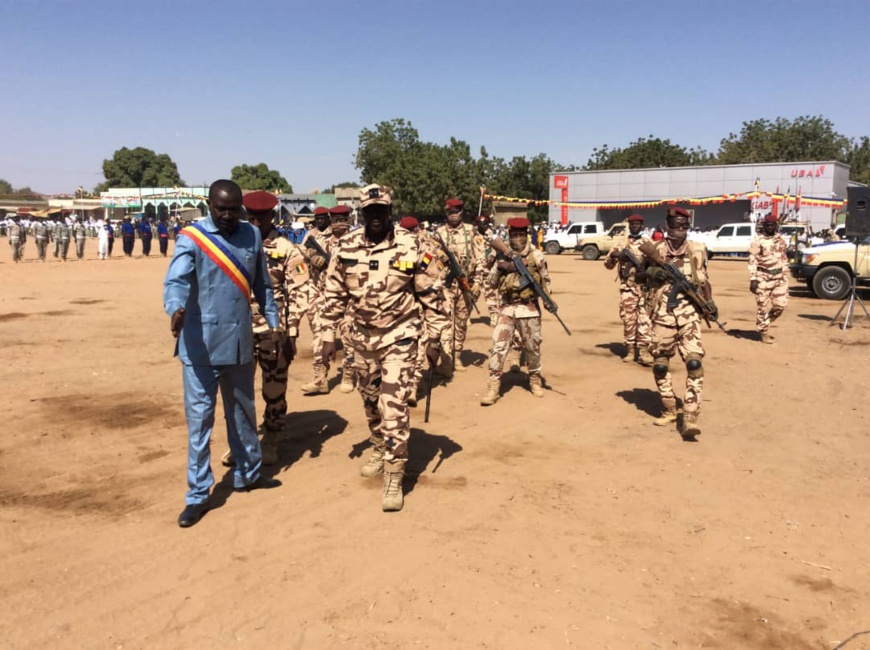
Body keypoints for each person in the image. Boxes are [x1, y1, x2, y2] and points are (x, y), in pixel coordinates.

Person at [320, 184, 448, 512]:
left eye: (382, 211)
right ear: (362, 214)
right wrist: (325, 338)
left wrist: (435, 340)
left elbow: (432, 295)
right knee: (371, 402)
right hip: (360, 339)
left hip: (400, 336)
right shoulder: (346, 246)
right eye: (370, 212)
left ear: (390, 211)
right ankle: (379, 446)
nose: (376, 217)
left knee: (393, 406)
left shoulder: (412, 245)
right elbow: (334, 294)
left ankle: (394, 472)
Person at [163, 179, 282, 528]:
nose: (228, 215)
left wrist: (273, 325)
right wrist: (175, 308)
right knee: (200, 423)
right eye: (221, 209)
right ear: (209, 205)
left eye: (233, 209)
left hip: (240, 342)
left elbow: (263, 285)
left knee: (243, 413)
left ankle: (249, 473)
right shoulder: (192, 237)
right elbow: (176, 281)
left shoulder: (252, 235)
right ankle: (198, 495)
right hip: (200, 346)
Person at [641, 208, 717, 440]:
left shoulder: (697, 249)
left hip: (689, 315)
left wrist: (710, 303)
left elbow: (703, 279)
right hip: (662, 314)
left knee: (694, 362)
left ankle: (691, 416)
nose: (680, 230)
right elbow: (638, 277)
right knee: (661, 365)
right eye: (675, 226)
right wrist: (654, 272)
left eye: (684, 226)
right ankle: (670, 408)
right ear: (667, 226)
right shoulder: (656, 250)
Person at [480, 217, 552, 406]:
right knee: (498, 346)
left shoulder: (537, 256)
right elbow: (490, 283)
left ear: (526, 235)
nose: (518, 238)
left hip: (529, 309)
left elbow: (546, 281)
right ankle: (493, 385)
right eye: (514, 234)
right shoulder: (501, 254)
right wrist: (502, 268)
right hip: (507, 308)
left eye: (521, 234)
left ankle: (535, 380)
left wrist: (547, 300)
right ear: (509, 235)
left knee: (532, 348)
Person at [435, 198, 481, 373]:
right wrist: (437, 253)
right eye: (450, 212)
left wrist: (478, 283)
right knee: (446, 322)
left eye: (456, 212)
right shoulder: (438, 233)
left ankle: (457, 355)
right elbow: (428, 258)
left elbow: (481, 259)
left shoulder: (471, 232)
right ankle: (446, 359)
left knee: (461, 322)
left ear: (462, 212)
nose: (453, 215)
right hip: (445, 285)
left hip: (465, 284)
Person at [603, 213, 654, 366]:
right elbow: (608, 264)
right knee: (629, 320)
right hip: (628, 288)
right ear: (629, 226)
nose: (635, 227)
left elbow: (656, 263)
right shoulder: (621, 243)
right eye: (632, 225)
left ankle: (644, 351)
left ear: (642, 226)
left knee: (645, 320)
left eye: (638, 225)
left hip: (644, 288)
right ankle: (630, 350)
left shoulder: (648, 243)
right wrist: (615, 256)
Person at [299, 206, 333, 394]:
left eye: (323, 218)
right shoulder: (310, 235)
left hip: (337, 291)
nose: (320, 221)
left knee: (350, 336)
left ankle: (349, 372)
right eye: (317, 218)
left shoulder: (338, 235)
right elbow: (302, 255)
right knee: (316, 328)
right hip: (316, 288)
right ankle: (321, 379)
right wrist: (311, 257)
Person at [327, 204, 356, 394]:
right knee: (321, 340)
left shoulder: (356, 241)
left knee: (349, 340)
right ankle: (319, 378)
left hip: (352, 300)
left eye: (342, 219)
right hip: (325, 296)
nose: (339, 224)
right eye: (335, 220)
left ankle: (348, 374)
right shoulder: (319, 239)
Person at [748, 213, 789, 344]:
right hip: (762, 278)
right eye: (768, 225)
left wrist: (785, 273)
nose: (770, 227)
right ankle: (764, 332)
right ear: (764, 226)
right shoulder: (758, 241)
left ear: (776, 226)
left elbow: (783, 257)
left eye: (773, 225)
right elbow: (752, 259)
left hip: (779, 278)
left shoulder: (781, 240)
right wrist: (753, 279)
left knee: (780, 306)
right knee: (762, 307)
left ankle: (765, 322)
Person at [473, 213, 500, 326]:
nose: (483, 226)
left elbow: (499, 248)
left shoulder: (492, 236)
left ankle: (494, 316)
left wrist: (493, 254)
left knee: (490, 295)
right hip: (476, 272)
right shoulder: (473, 237)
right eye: (481, 224)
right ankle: (465, 316)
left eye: (485, 224)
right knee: (472, 294)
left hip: (488, 271)